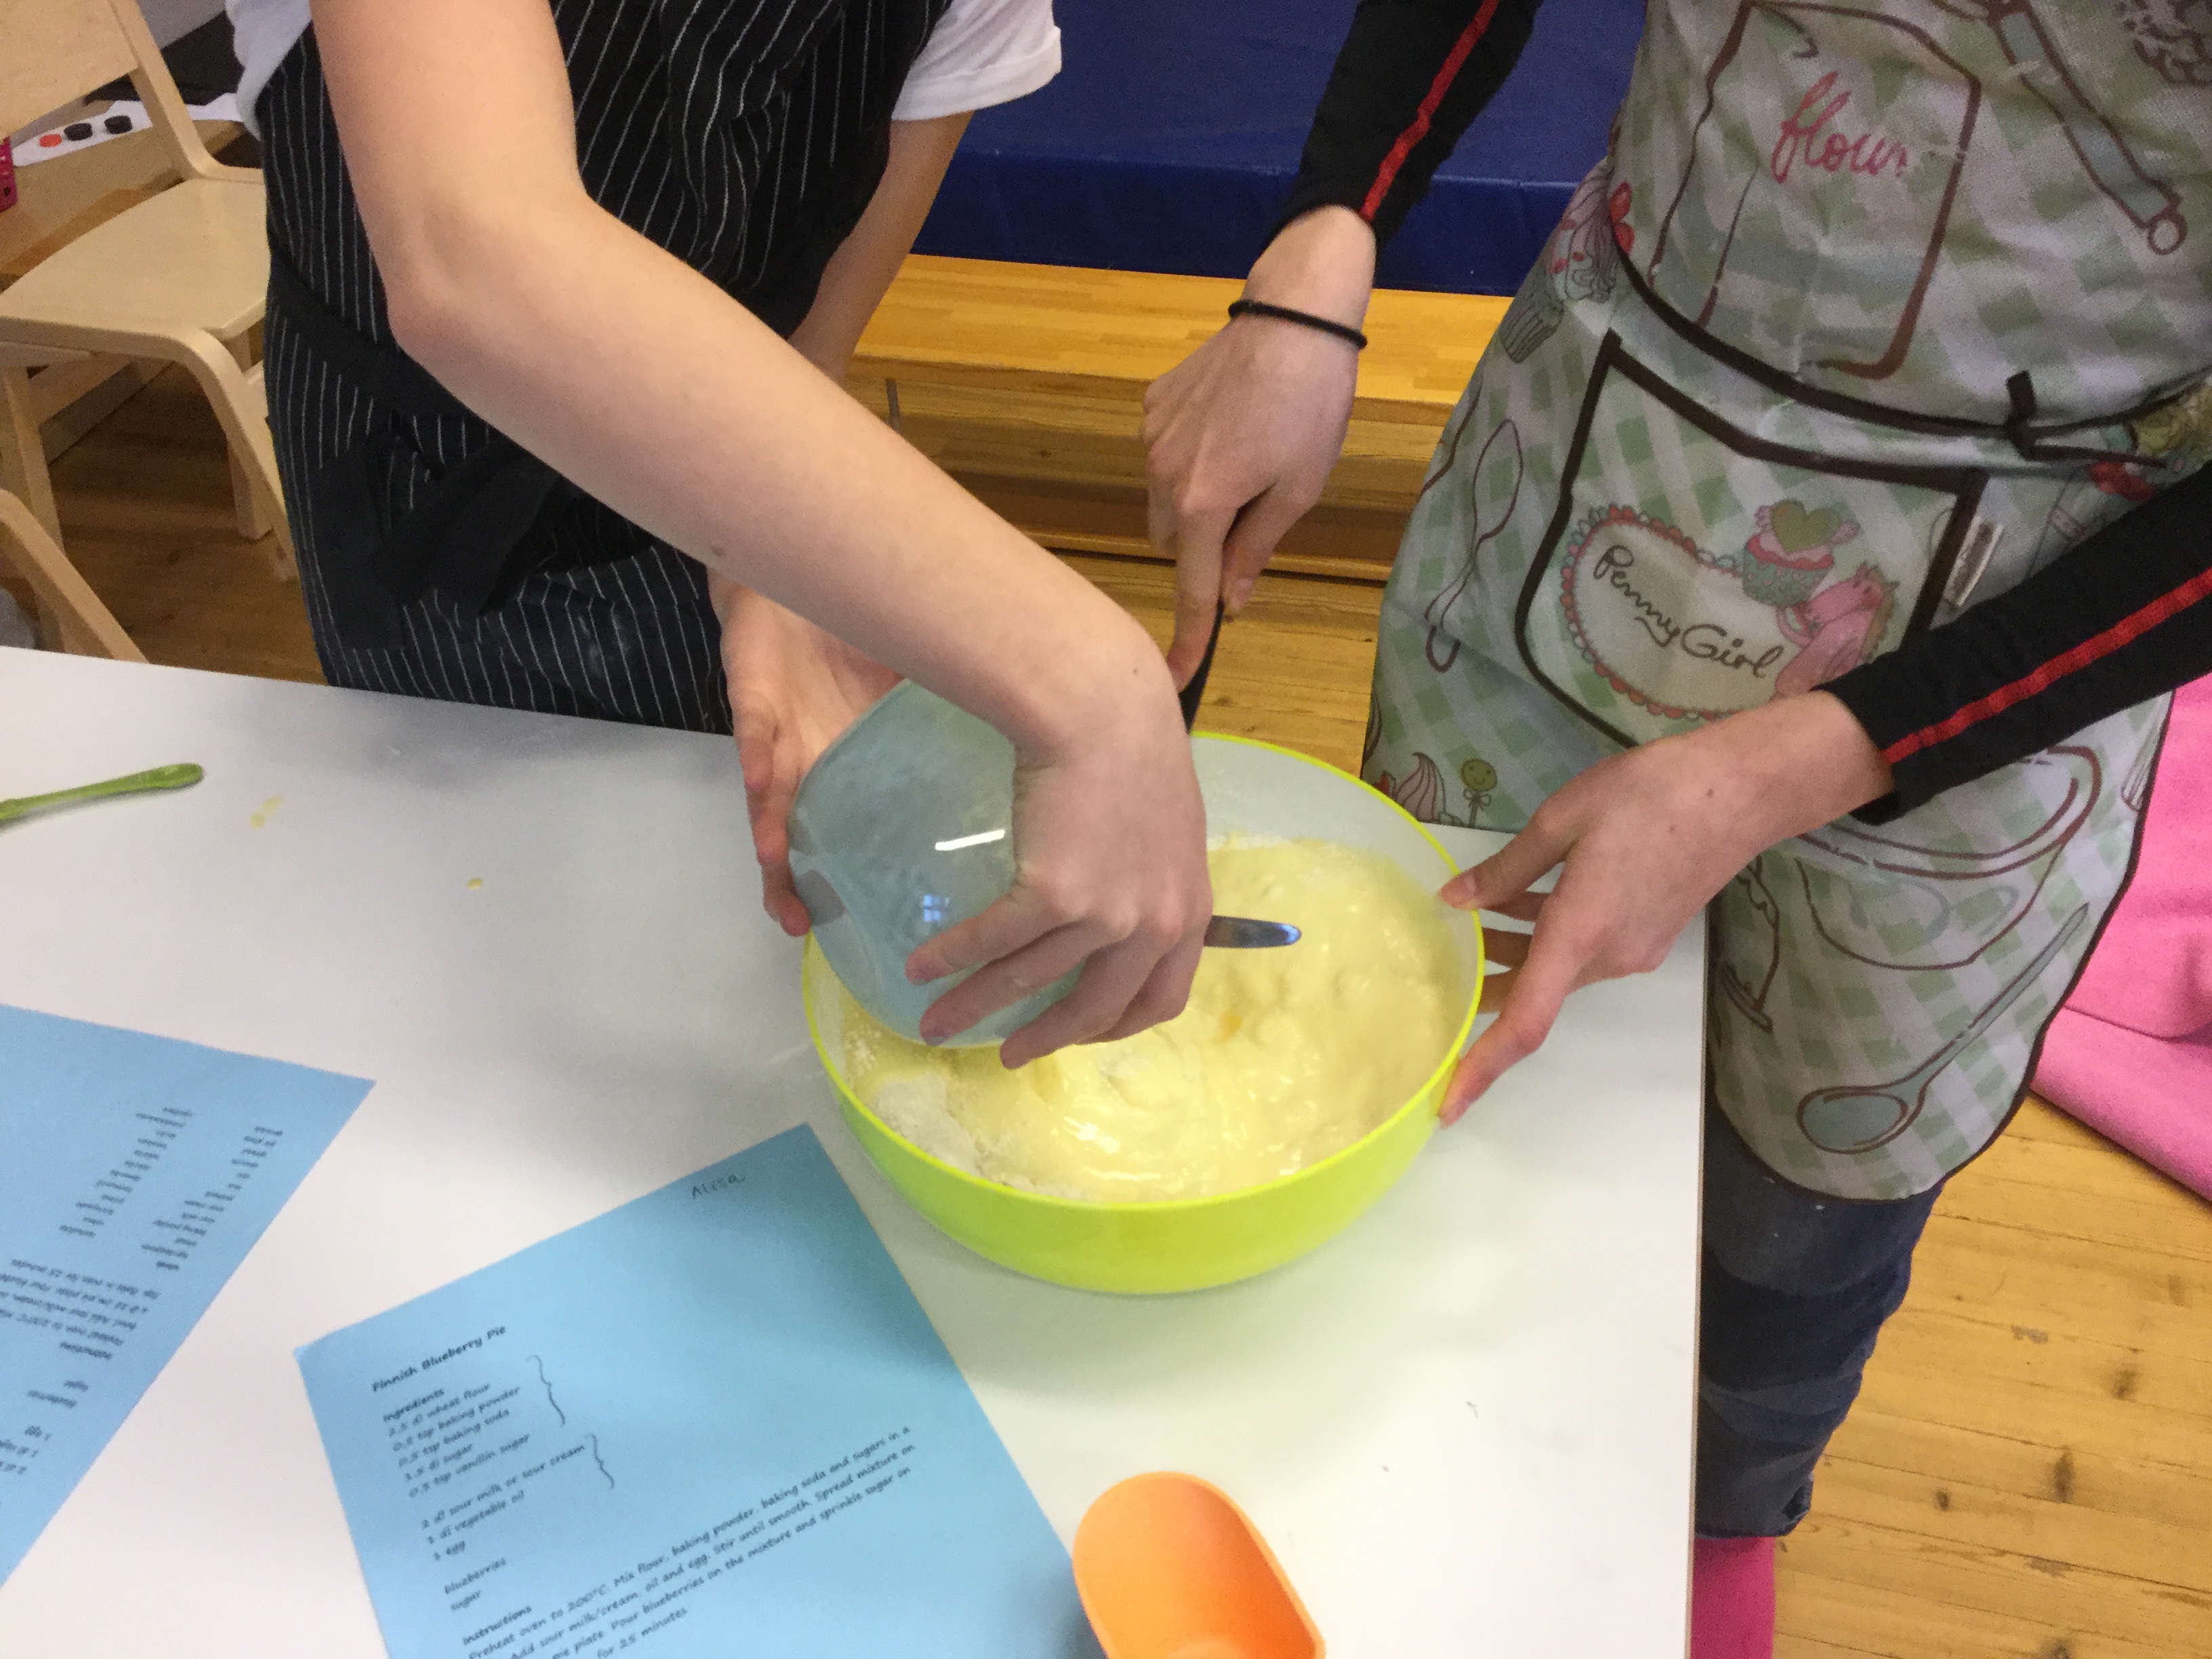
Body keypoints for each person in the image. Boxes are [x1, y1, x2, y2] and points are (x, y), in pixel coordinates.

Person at [1144, 1, 2212, 1649]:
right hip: (1599, 440)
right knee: (1439, 1044)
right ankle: (1417, 1436)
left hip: (2016, 612)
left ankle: (1725, 1510)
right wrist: (1326, 240)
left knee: (1799, 1205)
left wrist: (1811, 761)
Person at [224, 0, 1213, 1064]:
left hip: (742, 473)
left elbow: (807, 344)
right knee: (457, 963)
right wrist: (1088, 679)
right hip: (422, 483)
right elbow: (475, 256)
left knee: (705, 965)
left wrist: (772, 579)